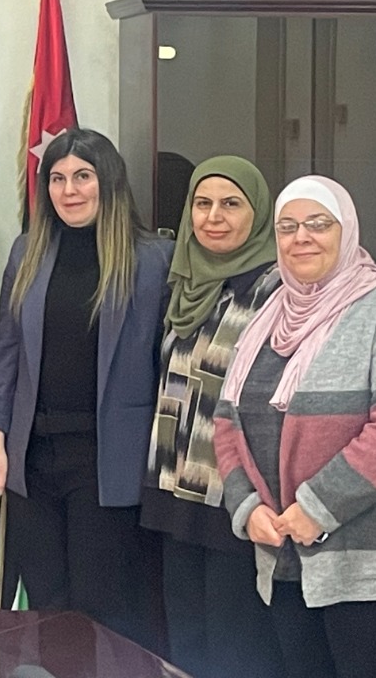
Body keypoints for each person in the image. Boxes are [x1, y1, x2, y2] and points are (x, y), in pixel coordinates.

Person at [215, 176, 376, 678]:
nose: (301, 237)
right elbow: (225, 422)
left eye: (318, 224)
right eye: (288, 227)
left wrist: (317, 507)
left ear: (346, 231)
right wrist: (246, 507)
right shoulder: (264, 320)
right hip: (288, 557)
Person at [0, 127, 171, 649]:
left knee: (99, 607)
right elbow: (6, 351)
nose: (69, 190)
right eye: (57, 178)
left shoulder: (152, 259)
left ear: (109, 182)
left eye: (83, 176)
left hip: (107, 459)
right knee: (46, 606)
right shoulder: (28, 252)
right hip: (34, 456)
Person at [142, 157, 284, 678]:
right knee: (184, 642)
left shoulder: (277, 290)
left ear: (258, 214)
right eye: (202, 204)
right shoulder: (183, 285)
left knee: (235, 646)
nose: (213, 217)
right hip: (175, 486)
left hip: (236, 495)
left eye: (230, 204)